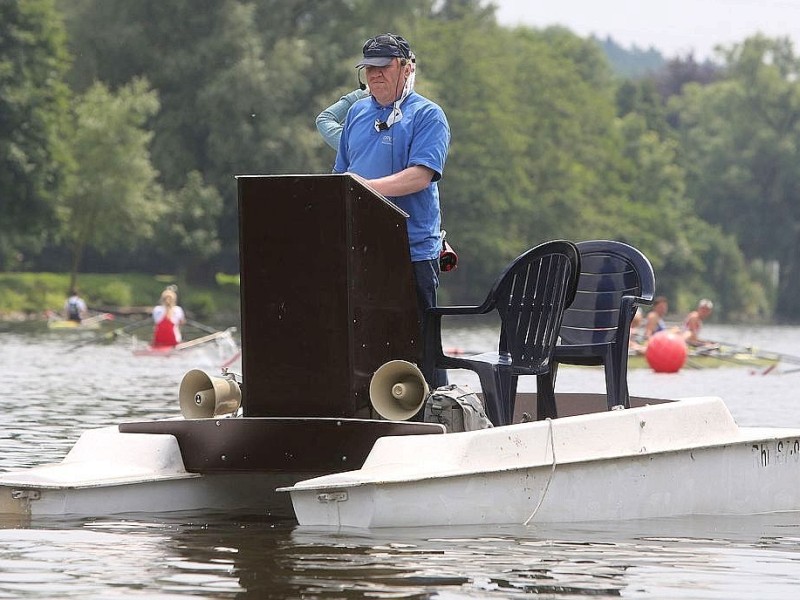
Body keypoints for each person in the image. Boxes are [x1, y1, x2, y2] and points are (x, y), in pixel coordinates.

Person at [333, 33, 450, 325]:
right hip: (360, 249)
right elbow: (339, 176)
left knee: (421, 352)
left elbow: (420, 176)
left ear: (406, 68)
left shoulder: (428, 115)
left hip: (412, 252)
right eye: (369, 68)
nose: (375, 74)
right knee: (363, 349)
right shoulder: (356, 113)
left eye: (383, 66)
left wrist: (363, 189)